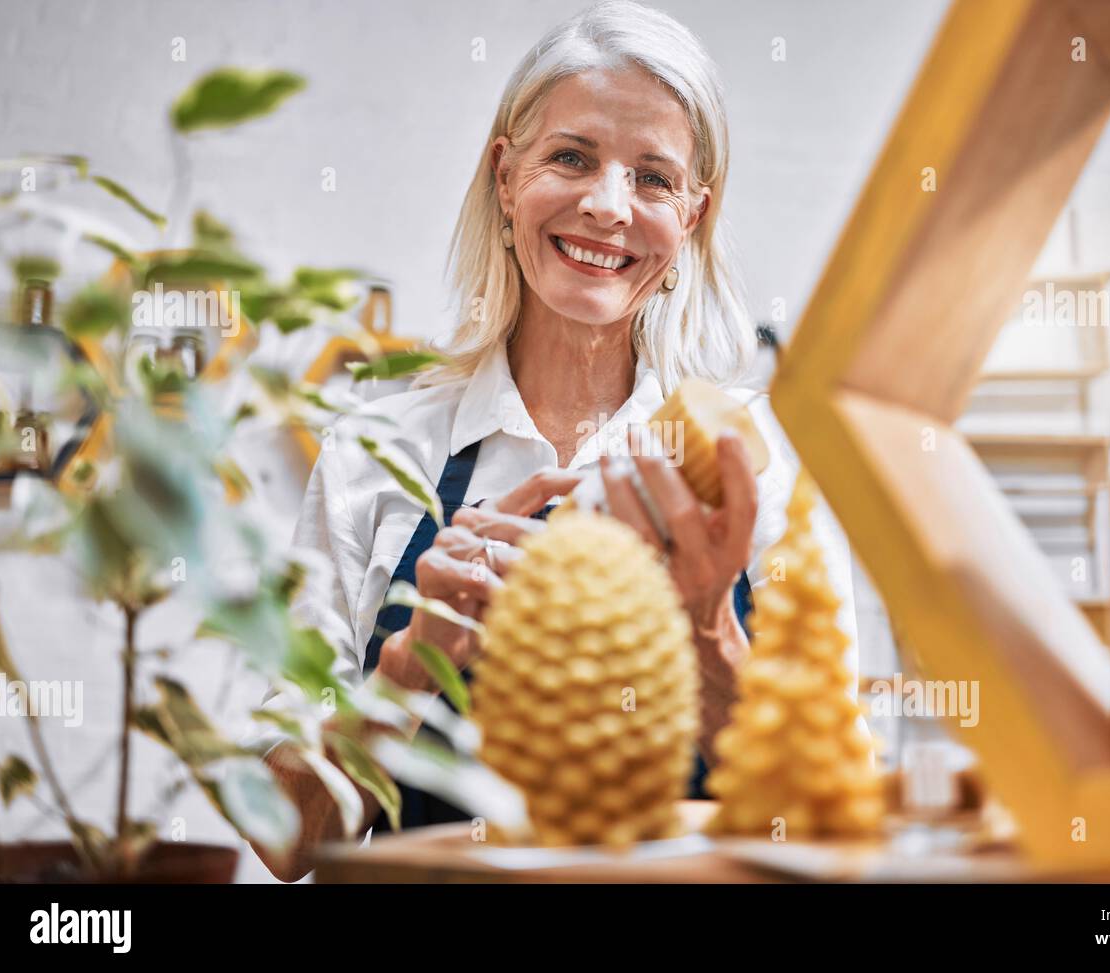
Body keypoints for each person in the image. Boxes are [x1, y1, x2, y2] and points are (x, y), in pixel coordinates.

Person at [252, 0, 857, 882]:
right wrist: (408, 668)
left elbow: (837, 822)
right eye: (571, 157)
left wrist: (709, 644)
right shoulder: (377, 455)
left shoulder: (755, 462)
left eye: (653, 178)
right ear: (505, 177)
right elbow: (281, 841)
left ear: (691, 215)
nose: (609, 206)